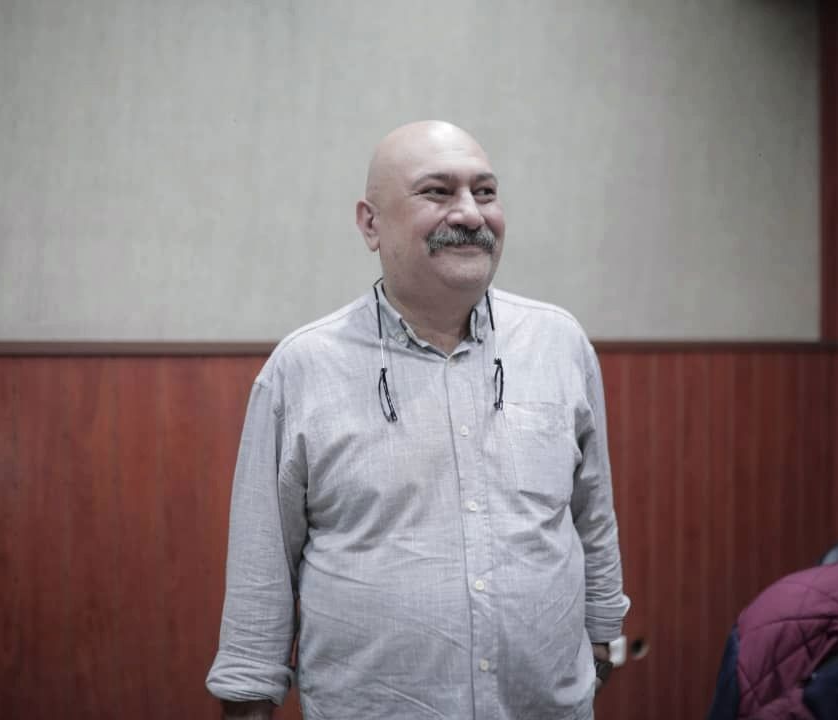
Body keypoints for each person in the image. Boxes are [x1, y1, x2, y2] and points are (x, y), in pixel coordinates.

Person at [206, 120, 630, 719]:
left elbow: (592, 515)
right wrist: (250, 693)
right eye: (438, 191)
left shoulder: (558, 343)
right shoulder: (303, 368)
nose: (471, 214)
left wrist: (604, 633)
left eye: (485, 192)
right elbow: (262, 562)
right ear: (370, 224)